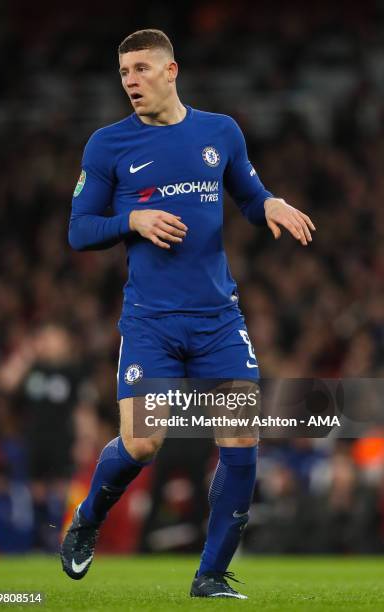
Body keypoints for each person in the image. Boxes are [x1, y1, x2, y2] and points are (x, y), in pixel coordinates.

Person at [60, 29, 315, 599]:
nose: (131, 80)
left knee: (242, 439)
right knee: (145, 443)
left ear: (171, 71)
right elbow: (78, 231)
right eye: (124, 71)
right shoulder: (107, 146)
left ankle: (210, 576)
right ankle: (88, 521)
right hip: (150, 321)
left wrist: (269, 201)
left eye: (142, 69)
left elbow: (248, 197)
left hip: (217, 319)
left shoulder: (219, 132)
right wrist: (133, 221)